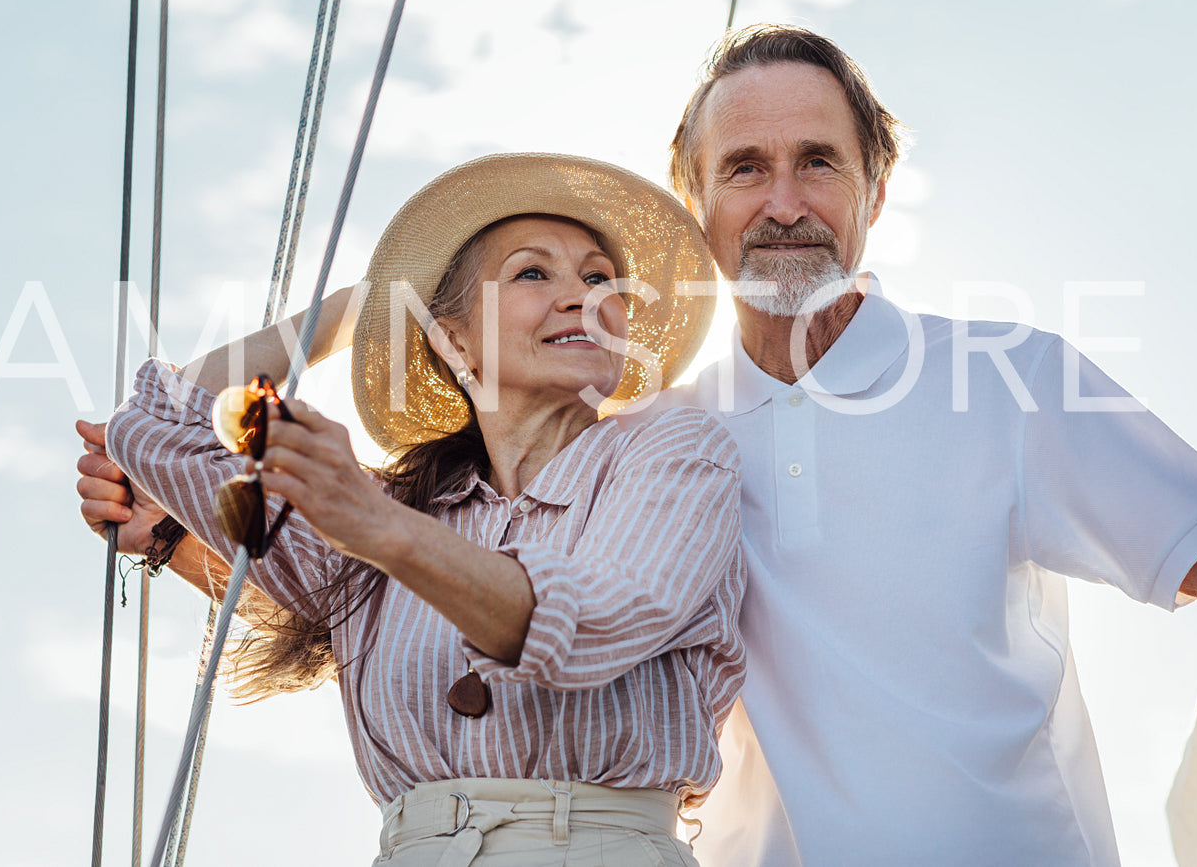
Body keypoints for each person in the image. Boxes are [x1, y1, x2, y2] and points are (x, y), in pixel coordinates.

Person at [644, 24, 1197, 867]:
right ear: (691, 198)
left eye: (818, 161)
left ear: (877, 187)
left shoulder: (1010, 377)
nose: (784, 203)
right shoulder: (655, 442)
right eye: (745, 166)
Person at [74, 154, 746, 866]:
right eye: (531, 272)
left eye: (599, 278)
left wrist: (378, 527)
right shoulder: (392, 507)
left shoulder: (675, 450)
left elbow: (590, 619)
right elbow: (159, 421)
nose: (581, 295)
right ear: (454, 341)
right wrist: (362, 306)